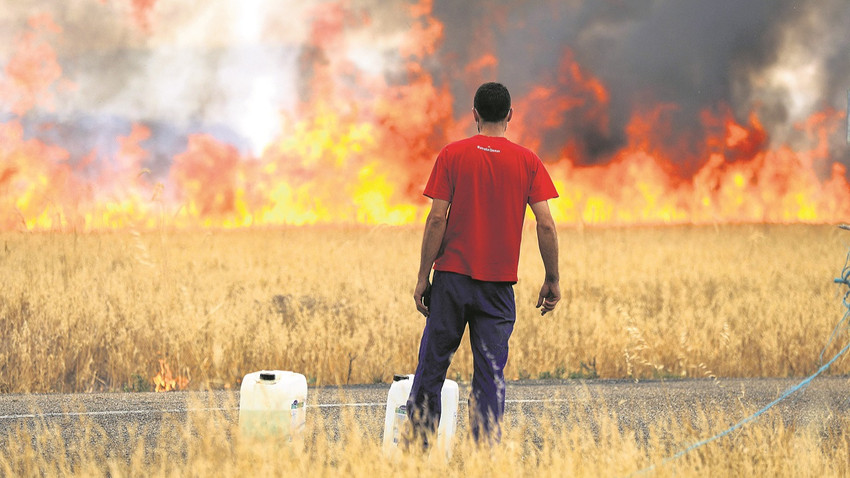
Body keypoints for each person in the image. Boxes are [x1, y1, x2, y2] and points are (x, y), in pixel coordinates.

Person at [407, 82, 561, 447]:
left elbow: (436, 219)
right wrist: (552, 278)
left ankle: (417, 452)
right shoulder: (528, 161)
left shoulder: (451, 155)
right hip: (498, 287)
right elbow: (546, 224)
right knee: (490, 376)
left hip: (451, 281)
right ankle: (485, 457)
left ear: (474, 113)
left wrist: (422, 276)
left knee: (432, 367)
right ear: (510, 115)